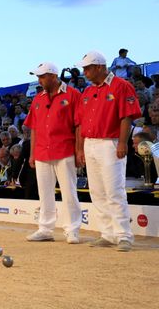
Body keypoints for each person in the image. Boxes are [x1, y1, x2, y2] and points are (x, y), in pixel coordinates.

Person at [76, 51, 142, 252]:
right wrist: (80, 148)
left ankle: (123, 235)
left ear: (99, 67)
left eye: (87, 68)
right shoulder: (87, 92)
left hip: (110, 143)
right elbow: (79, 122)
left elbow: (127, 117)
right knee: (97, 191)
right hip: (90, 143)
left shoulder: (122, 86)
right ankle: (107, 233)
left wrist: (122, 142)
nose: (84, 72)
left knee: (114, 190)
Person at [24, 62, 82, 244]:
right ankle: (45, 229)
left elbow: (79, 124)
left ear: (53, 76)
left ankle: (72, 229)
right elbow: (33, 127)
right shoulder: (37, 98)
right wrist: (32, 153)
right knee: (45, 193)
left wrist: (79, 149)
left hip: (64, 149)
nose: (39, 80)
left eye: (42, 76)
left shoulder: (72, 94)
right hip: (42, 150)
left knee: (69, 192)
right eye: (38, 77)